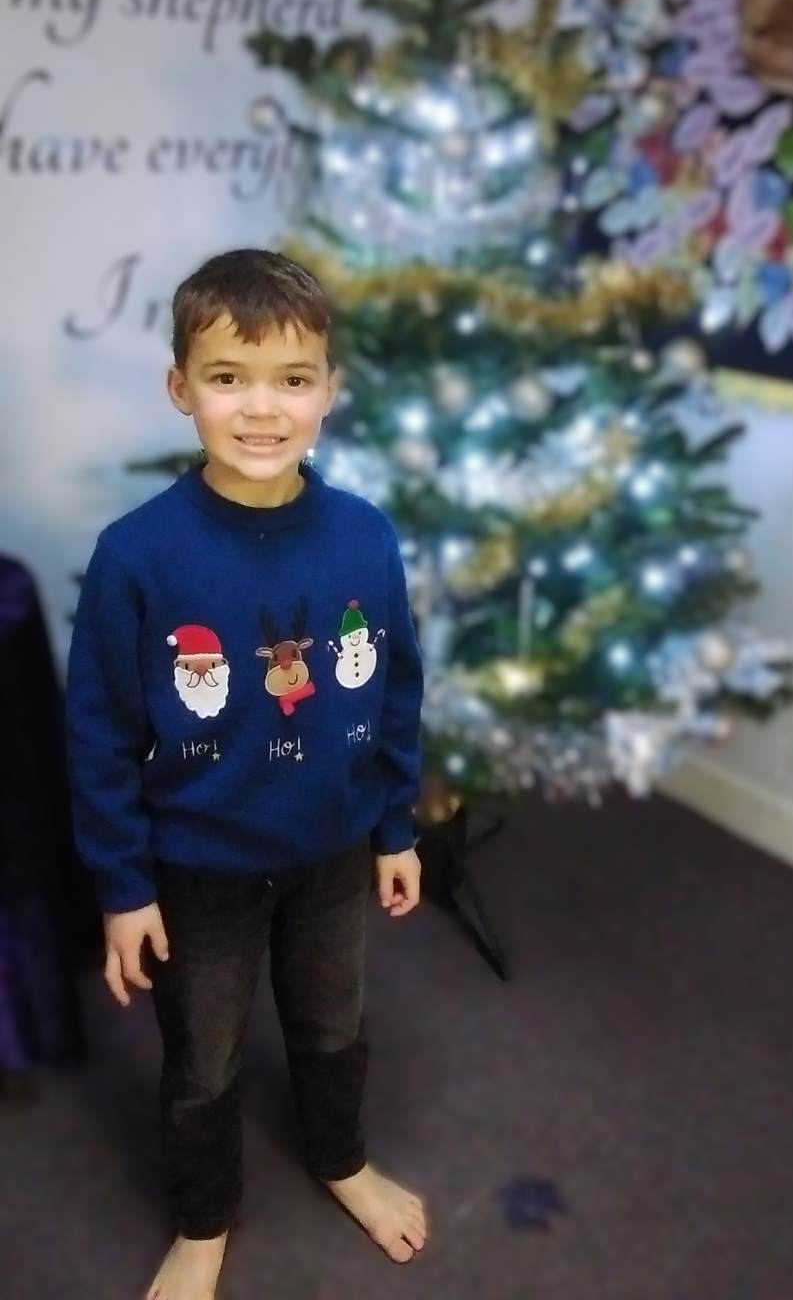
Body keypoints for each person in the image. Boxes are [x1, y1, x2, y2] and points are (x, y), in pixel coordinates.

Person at [66, 247, 428, 1300]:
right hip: (197, 870)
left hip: (332, 854)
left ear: (329, 389)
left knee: (333, 1026)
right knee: (204, 1060)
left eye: (292, 378)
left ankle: (340, 1159)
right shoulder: (137, 554)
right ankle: (202, 1220)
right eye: (228, 377)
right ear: (181, 387)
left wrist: (396, 827)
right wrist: (123, 887)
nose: (262, 408)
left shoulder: (365, 537)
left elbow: (395, 689)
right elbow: (96, 734)